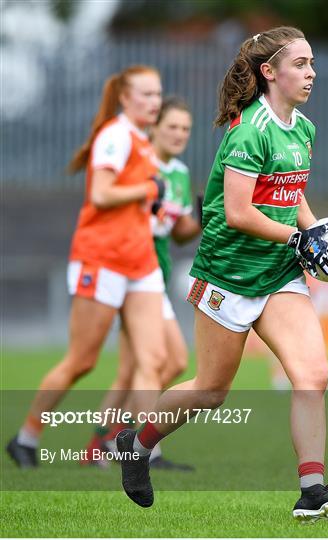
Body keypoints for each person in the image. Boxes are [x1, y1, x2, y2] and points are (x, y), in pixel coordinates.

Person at [115, 27, 328, 523]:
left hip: (279, 275)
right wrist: (297, 238)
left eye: (312, 63)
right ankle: (134, 445)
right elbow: (241, 212)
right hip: (227, 274)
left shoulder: (303, 129)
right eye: (301, 64)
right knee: (211, 390)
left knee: (313, 376)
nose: (311, 73)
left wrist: (319, 238)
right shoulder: (249, 129)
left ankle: (312, 489)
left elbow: (292, 195)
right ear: (269, 73)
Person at [6, 65, 168, 468]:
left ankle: (143, 452)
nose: (154, 102)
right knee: (82, 361)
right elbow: (100, 193)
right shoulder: (114, 135)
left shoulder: (143, 141)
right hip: (102, 259)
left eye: (158, 94)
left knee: (154, 361)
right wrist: (149, 189)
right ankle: (26, 437)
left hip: (140, 261)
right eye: (146, 94)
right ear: (125, 98)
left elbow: (136, 203)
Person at [83, 97, 201, 469]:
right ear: (153, 127)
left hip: (156, 272)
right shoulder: (139, 163)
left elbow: (179, 233)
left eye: (185, 128)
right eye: (172, 126)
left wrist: (202, 217)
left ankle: (102, 443)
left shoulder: (179, 173)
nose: (180, 134)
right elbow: (111, 205)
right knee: (159, 362)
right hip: (132, 272)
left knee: (140, 369)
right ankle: (143, 451)